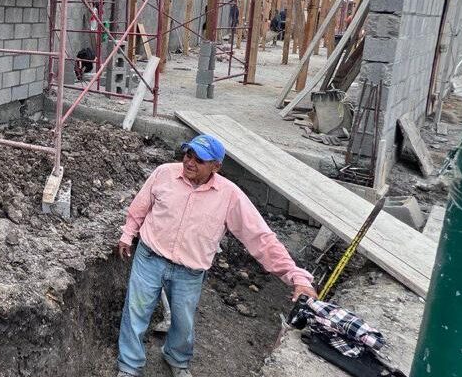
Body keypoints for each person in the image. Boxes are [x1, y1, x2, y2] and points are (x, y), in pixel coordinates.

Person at [115, 134, 317, 377]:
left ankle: (177, 360)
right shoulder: (164, 173)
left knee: (183, 323)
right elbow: (140, 205)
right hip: (149, 257)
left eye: (200, 160)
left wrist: (295, 276)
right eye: (189, 154)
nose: (190, 162)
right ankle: (129, 366)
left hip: (189, 271)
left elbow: (260, 237)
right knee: (135, 313)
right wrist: (128, 233)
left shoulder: (230, 196)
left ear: (216, 166)